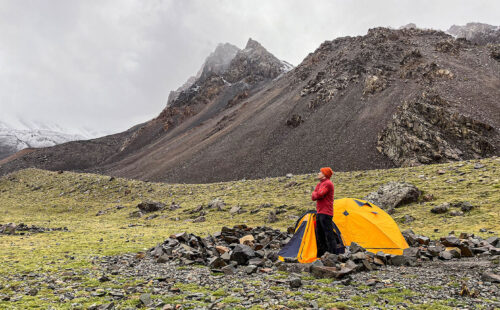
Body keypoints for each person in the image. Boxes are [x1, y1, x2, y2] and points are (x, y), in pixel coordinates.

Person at [311, 167, 337, 257]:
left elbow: (319, 194)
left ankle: (333, 254)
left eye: (320, 172)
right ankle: (323, 254)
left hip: (326, 213)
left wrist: (316, 194)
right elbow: (313, 196)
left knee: (328, 234)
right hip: (319, 212)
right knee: (320, 234)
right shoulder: (319, 184)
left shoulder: (328, 184)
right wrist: (315, 194)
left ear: (325, 174)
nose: (318, 173)